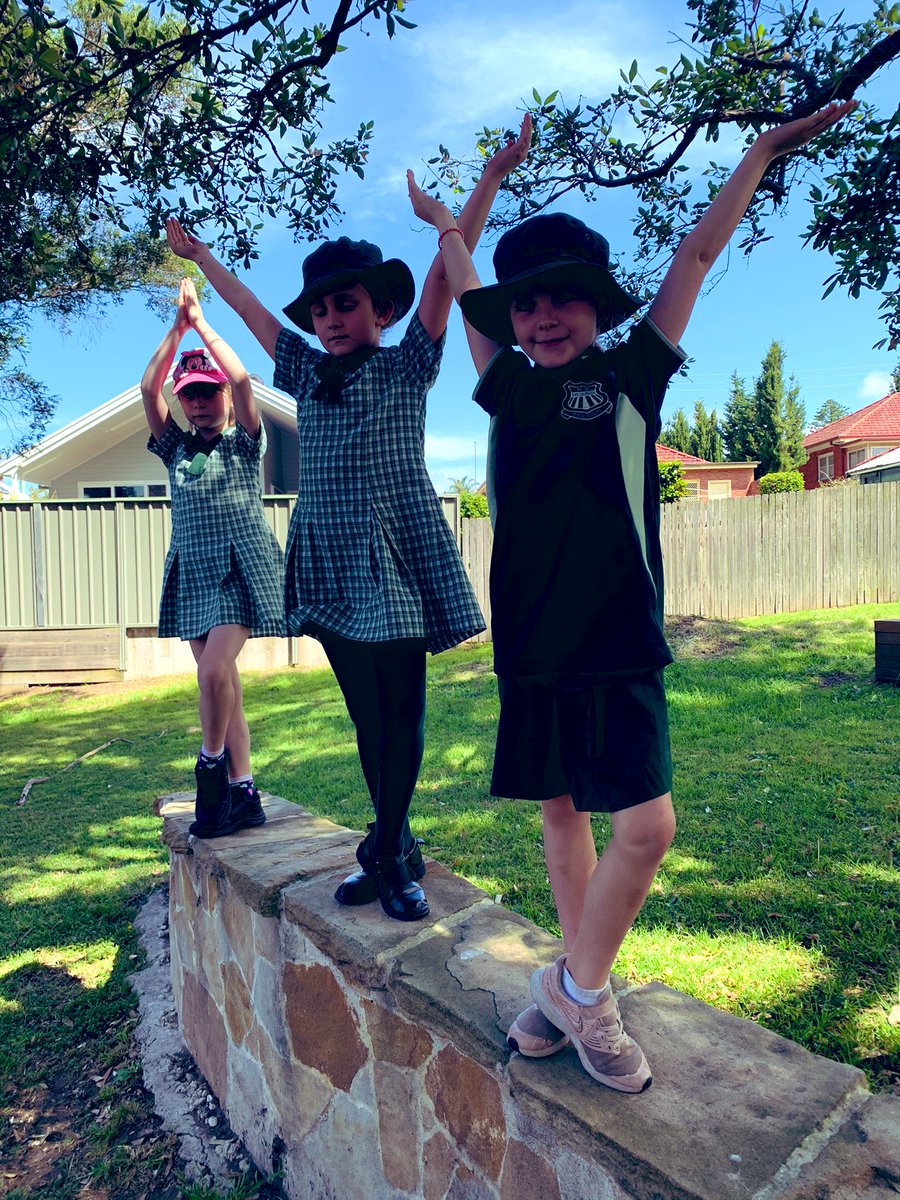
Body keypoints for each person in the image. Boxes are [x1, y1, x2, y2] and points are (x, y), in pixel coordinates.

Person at [408, 100, 856, 1088]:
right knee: (562, 818)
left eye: (564, 298)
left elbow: (694, 255)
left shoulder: (631, 375)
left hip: (619, 642)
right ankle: (586, 1000)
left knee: (648, 829)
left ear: (598, 308)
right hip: (532, 645)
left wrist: (759, 152)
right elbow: (465, 274)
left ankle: (567, 989)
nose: (543, 316)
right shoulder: (506, 384)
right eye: (527, 304)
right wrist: (456, 213)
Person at [165, 117, 531, 921]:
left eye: (347, 304)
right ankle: (394, 848)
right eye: (322, 309)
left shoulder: (409, 363)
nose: (330, 318)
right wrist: (201, 259)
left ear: (381, 309)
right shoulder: (301, 368)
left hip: (395, 554)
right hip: (328, 561)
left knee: (403, 716)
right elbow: (251, 310)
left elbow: (449, 268)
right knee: (368, 720)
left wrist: (487, 180)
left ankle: (390, 855)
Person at [142, 277, 285, 838]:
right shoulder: (176, 449)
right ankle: (243, 791)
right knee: (222, 687)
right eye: (191, 395)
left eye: (209, 392)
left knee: (212, 672)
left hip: (239, 568)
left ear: (222, 394)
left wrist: (202, 325)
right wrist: (176, 330)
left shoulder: (243, 441)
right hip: (194, 571)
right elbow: (147, 390)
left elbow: (245, 379)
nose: (199, 403)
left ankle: (210, 767)